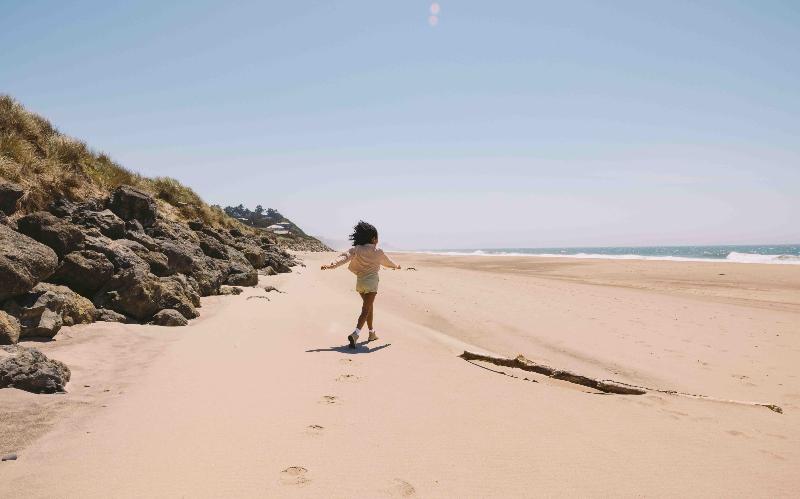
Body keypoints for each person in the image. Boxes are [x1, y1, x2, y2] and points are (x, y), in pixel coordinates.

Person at [321, 221, 400, 348]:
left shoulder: (356, 249)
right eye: (377, 237)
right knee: (366, 309)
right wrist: (396, 266)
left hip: (360, 284)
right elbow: (387, 262)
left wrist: (332, 265)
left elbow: (344, 257)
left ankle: (372, 333)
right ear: (373, 239)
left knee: (369, 307)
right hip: (372, 284)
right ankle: (355, 334)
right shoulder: (378, 251)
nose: (378, 240)